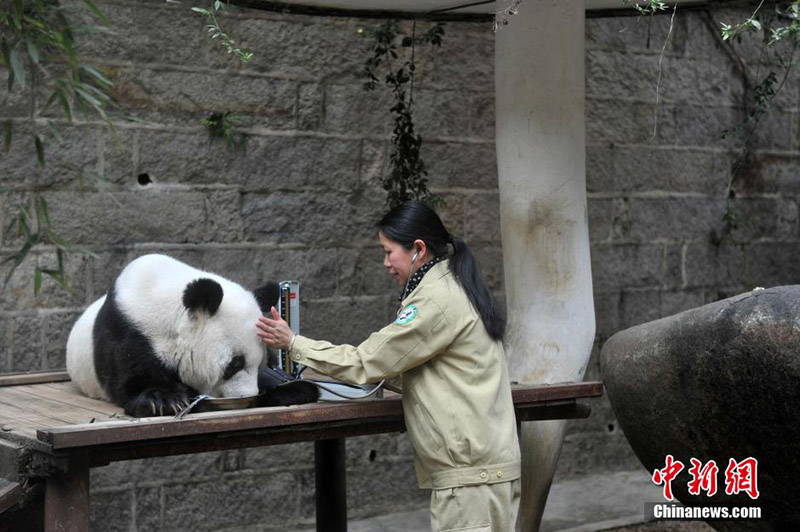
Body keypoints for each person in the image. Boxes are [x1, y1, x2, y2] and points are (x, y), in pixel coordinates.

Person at [256, 200, 521, 532]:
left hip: (471, 482)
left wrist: (294, 344)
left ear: (418, 249)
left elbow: (367, 361)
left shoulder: (434, 301)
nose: (385, 263)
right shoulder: (454, 287)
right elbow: (410, 369)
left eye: (388, 251)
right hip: (487, 471)